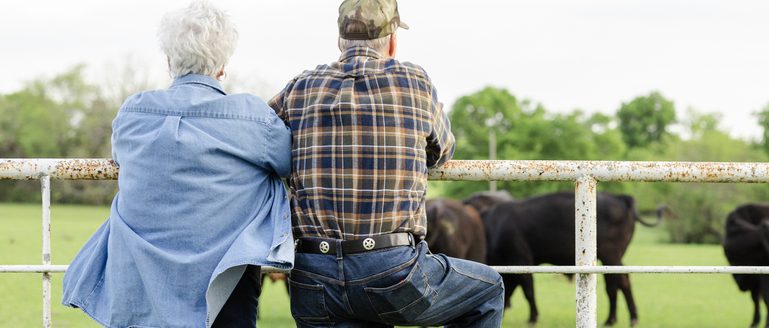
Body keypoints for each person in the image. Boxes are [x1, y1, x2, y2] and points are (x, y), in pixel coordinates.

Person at [268, 0, 504, 327]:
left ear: (340, 41)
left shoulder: (301, 87)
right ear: (392, 39)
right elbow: (442, 150)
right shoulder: (414, 82)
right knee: (488, 289)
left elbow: (263, 140)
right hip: (391, 272)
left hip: (313, 276)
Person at [61, 1, 294, 327]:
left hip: (140, 288)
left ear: (169, 60)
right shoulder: (253, 118)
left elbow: (123, 156)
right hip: (226, 294)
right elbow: (287, 162)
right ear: (223, 65)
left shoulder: (133, 114)